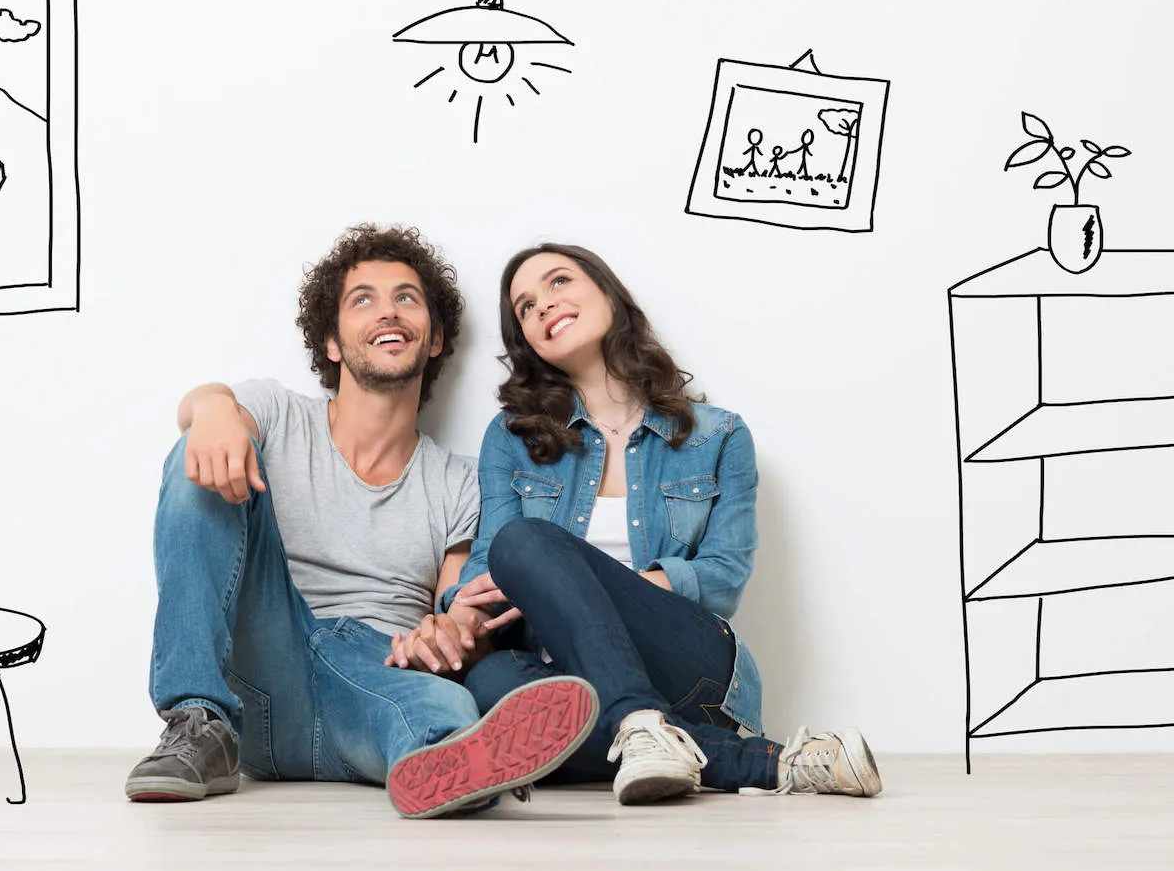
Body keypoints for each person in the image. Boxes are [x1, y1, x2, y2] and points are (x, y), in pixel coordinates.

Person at [126, 225, 598, 819]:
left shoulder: (460, 480)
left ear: (434, 340)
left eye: (406, 297)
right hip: (260, 674)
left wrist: (453, 633)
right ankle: (196, 720)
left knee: (435, 706)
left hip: (375, 689)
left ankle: (450, 760)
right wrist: (213, 407)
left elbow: (455, 605)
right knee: (202, 456)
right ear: (331, 342)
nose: (387, 312)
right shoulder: (278, 414)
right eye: (363, 300)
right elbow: (204, 410)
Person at [385, 242, 881, 805]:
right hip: (565, 675)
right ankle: (761, 760)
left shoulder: (718, 436)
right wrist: (456, 615)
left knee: (528, 542)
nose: (543, 306)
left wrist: (579, 586)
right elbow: (488, 572)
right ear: (526, 340)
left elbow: (722, 577)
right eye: (524, 307)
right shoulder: (513, 439)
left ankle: (642, 718)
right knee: (494, 684)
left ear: (609, 295)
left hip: (692, 667)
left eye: (559, 282)